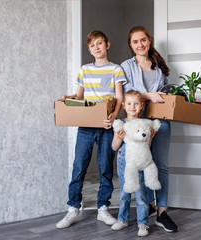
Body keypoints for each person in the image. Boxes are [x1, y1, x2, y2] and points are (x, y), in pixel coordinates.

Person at [56, 30, 127, 229]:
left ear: (107, 45)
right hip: (86, 126)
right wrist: (66, 99)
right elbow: (79, 96)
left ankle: (103, 209)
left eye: (99, 43)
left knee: (105, 167)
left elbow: (119, 97)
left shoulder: (116, 69)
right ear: (89, 49)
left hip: (106, 125)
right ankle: (73, 209)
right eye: (92, 45)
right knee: (79, 166)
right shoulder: (85, 70)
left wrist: (114, 115)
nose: (96, 47)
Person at [120, 26, 178, 233]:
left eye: (143, 40)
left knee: (161, 165)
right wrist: (147, 96)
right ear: (131, 45)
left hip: (160, 121)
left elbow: (167, 93)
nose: (140, 45)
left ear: (149, 40)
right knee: (141, 165)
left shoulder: (159, 67)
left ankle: (162, 211)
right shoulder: (126, 66)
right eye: (135, 42)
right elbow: (127, 95)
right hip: (138, 124)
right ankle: (147, 209)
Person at [111, 90, 155, 237]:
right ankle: (123, 219)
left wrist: (150, 138)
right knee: (124, 193)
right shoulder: (120, 124)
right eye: (129, 103)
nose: (132, 107)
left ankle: (142, 223)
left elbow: (146, 147)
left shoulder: (145, 124)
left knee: (141, 194)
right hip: (124, 163)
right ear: (123, 105)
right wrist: (118, 137)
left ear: (141, 106)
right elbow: (114, 147)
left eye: (136, 103)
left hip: (140, 163)